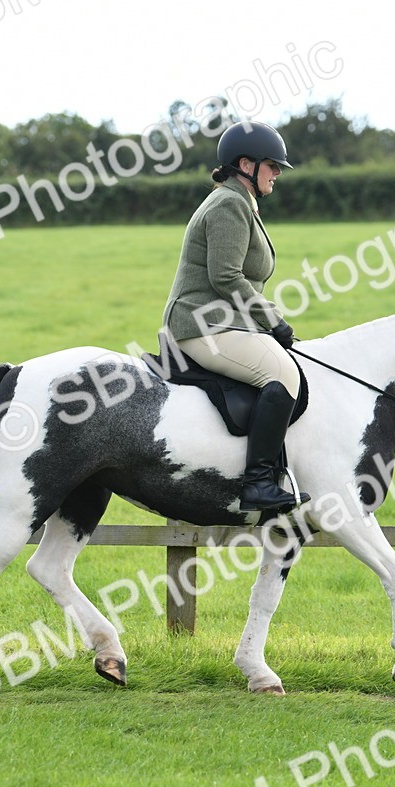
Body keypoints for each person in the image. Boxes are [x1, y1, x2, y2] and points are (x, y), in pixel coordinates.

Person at [161, 121, 310, 512]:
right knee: (283, 374)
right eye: (272, 165)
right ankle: (258, 484)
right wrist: (271, 319)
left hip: (224, 322)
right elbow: (225, 275)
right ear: (245, 164)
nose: (277, 172)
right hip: (202, 326)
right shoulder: (229, 203)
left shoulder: (239, 201)